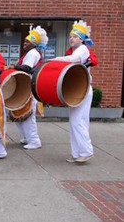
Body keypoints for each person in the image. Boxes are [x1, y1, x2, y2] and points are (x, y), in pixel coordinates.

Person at [51, 20, 95, 163]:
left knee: (77, 121)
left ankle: (86, 151)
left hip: (82, 89)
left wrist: (56, 59)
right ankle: (77, 153)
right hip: (78, 88)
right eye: (70, 36)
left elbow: (74, 60)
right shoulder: (77, 50)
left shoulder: (82, 49)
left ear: (81, 39)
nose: (71, 38)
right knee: (76, 121)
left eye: (75, 36)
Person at [6, 26, 47, 150]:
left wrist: (13, 66)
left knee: (28, 116)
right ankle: (27, 137)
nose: (24, 43)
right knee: (19, 114)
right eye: (24, 41)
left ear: (33, 44)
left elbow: (27, 68)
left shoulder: (33, 53)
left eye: (27, 42)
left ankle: (34, 141)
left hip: (28, 87)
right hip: (25, 87)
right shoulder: (30, 53)